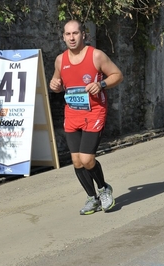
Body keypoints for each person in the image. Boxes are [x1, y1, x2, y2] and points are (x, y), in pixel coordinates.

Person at [49, 20, 123, 215]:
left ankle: (104, 188)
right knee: (76, 161)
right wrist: (54, 85)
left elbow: (117, 75)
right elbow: (56, 81)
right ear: (63, 36)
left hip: (94, 112)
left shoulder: (96, 56)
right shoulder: (60, 60)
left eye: (75, 33)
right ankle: (93, 198)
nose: (72, 38)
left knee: (87, 158)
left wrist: (102, 84)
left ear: (84, 34)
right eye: (68, 34)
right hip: (72, 113)